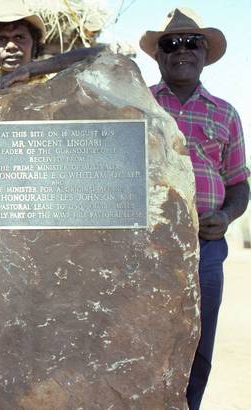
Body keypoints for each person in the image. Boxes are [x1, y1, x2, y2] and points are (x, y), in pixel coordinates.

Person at [140, 8, 250, 410]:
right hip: (146, 247)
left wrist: (226, 217)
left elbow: (239, 182)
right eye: (171, 44)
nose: (181, 50)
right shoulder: (137, 105)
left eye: (192, 43)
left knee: (199, 340)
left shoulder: (226, 113)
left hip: (205, 249)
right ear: (158, 55)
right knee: (144, 334)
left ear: (205, 54)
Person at [0, 3, 104, 94]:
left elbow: (101, 52)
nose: (10, 46)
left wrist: (29, 70)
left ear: (35, 45)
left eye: (19, 37)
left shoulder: (58, 81)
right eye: (1, 39)